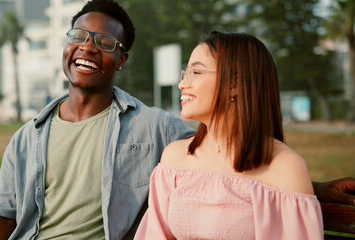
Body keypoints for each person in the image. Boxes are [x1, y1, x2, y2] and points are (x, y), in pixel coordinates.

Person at [0, 1, 355, 239]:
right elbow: (2, 214)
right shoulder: (28, 136)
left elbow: (228, 149)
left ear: (122, 59)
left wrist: (306, 184)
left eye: (105, 42)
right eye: (79, 35)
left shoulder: (155, 127)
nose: (88, 46)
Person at [134, 31, 324, 240]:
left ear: (234, 84)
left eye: (195, 72)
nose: (182, 84)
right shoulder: (174, 159)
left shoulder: (285, 167)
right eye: (184, 73)